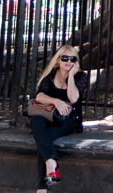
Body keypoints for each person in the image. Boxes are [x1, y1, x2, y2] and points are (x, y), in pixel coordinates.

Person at [30, 45, 87, 192]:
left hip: (68, 121)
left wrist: (72, 76)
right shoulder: (51, 75)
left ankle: (42, 187)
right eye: (65, 58)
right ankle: (51, 162)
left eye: (72, 58)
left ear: (76, 61)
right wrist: (56, 101)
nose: (68, 61)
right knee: (36, 120)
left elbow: (73, 98)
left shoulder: (80, 76)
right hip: (50, 116)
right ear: (58, 61)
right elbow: (39, 96)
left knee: (43, 138)